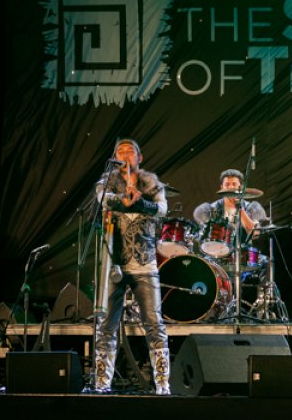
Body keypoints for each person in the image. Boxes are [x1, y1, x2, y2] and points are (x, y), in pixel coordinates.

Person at [92, 138, 171, 395]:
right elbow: (102, 200)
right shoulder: (107, 182)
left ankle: (162, 384)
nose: (125, 155)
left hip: (144, 263)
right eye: (120, 152)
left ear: (140, 157)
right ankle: (101, 384)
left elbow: (162, 209)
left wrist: (138, 201)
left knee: (154, 323)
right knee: (106, 325)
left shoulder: (151, 183)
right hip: (113, 263)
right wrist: (123, 199)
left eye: (130, 151)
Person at [191, 168, 268, 260]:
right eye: (227, 184)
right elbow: (203, 235)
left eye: (234, 184)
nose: (231, 187)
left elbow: (254, 233)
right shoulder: (210, 209)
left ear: (241, 187)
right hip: (215, 255)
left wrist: (239, 208)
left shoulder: (251, 208)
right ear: (221, 187)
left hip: (243, 256)